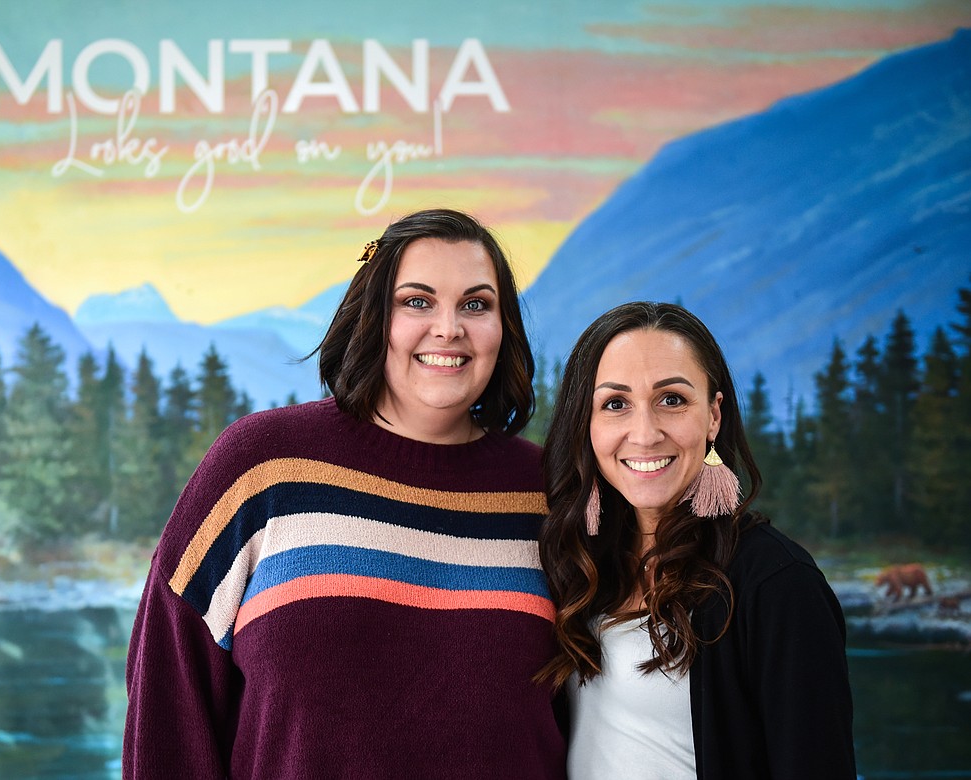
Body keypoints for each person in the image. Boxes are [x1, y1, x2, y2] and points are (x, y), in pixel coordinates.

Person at [123, 209, 567, 779]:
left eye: (477, 304)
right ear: (374, 315)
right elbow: (169, 700)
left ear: (504, 330)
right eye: (417, 301)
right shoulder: (264, 467)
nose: (449, 327)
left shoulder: (550, 496)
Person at [537, 302, 855, 780]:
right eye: (615, 404)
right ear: (588, 423)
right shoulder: (579, 561)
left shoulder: (777, 584)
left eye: (672, 400)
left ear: (713, 416)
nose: (644, 434)